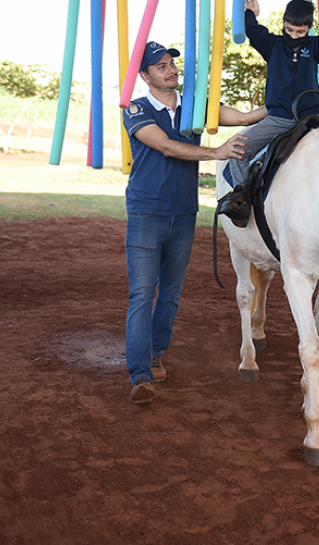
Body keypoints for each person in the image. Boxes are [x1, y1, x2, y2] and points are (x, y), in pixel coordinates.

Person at [123, 41, 266, 406]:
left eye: (171, 63)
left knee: (170, 294)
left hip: (184, 214)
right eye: (160, 66)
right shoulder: (136, 109)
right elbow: (167, 147)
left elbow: (248, 118)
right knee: (142, 294)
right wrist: (214, 152)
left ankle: (156, 353)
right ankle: (140, 374)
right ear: (145, 76)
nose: (170, 69)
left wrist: (288, 103)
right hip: (146, 213)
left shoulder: (193, 107)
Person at [217, 0, 319, 227]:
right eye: (290, 30)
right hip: (278, 119)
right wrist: (252, 13)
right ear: (284, 24)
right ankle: (242, 198)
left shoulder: (314, 47)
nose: (294, 36)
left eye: (300, 31)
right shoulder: (273, 45)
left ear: (309, 27)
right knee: (238, 147)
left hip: (311, 119)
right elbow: (252, 30)